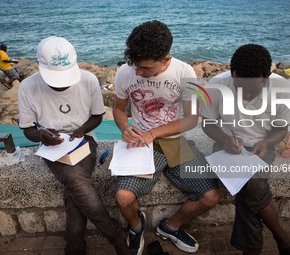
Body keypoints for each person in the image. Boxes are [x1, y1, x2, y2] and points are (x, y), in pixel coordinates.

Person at [113, 20, 220, 255]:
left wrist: (154, 133)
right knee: (123, 196)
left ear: (166, 59)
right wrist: (124, 128)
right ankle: (136, 225)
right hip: (141, 143)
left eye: (146, 68)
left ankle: (171, 226)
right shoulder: (125, 72)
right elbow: (119, 109)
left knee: (211, 196)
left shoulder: (185, 72)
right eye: (135, 66)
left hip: (175, 142)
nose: (139, 73)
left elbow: (192, 119)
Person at [18, 36, 131, 255]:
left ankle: (75, 247)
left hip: (84, 140)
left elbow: (98, 116)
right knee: (76, 181)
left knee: (74, 189)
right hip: (52, 146)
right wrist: (42, 135)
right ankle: (115, 235)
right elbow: (28, 130)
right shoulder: (27, 87)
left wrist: (81, 130)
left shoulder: (88, 80)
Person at [200, 44, 290, 255]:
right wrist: (225, 140)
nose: (244, 95)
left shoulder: (284, 90)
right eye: (239, 87)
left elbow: (281, 129)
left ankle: (255, 249)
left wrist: (267, 143)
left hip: (262, 145)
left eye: (251, 89)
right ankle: (281, 236)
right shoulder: (217, 85)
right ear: (232, 72)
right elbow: (207, 124)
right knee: (252, 183)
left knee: (250, 184)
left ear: (266, 77)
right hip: (228, 144)